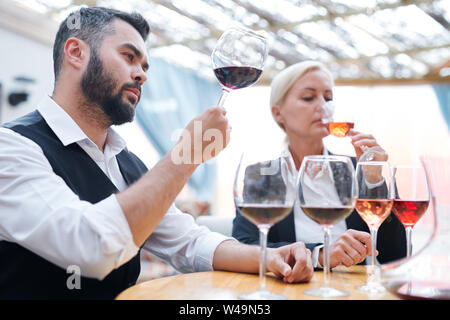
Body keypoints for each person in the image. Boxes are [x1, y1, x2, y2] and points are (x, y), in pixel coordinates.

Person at [0, 7, 314, 300]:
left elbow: (189, 242)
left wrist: (268, 256)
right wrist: (187, 155)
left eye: (145, 65)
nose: (142, 74)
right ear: (76, 52)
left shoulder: (127, 163)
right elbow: (87, 246)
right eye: (128, 57)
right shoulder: (12, 146)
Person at [232, 61, 406, 269]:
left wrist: (374, 181)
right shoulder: (264, 175)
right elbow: (246, 245)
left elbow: (395, 255)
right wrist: (320, 254)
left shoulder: (354, 168)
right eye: (308, 97)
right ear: (278, 113)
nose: (323, 106)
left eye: (328, 98)